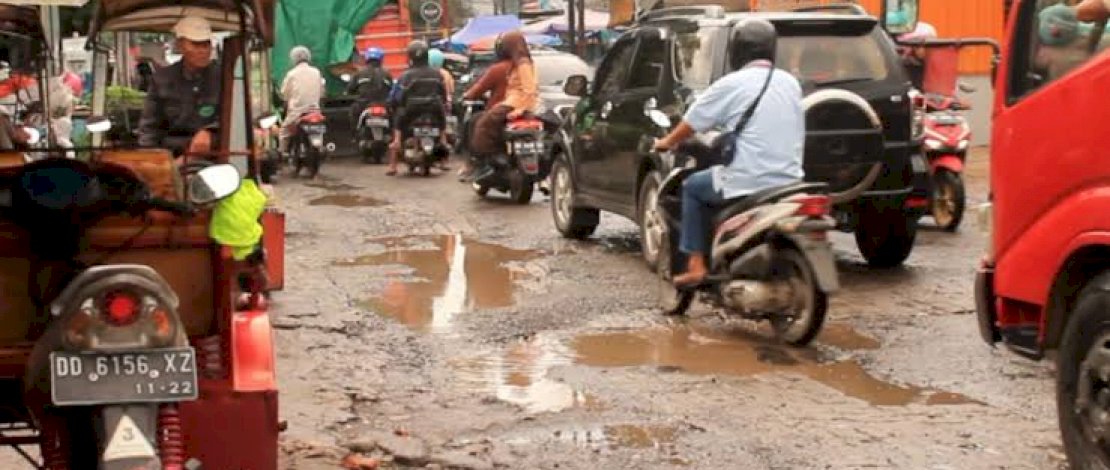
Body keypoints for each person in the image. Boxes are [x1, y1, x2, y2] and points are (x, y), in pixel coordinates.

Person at [652, 18, 805, 287]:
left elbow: (692, 122)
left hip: (748, 180)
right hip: (791, 182)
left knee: (692, 187)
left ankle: (696, 265)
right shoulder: (790, 83)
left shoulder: (732, 84)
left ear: (737, 50)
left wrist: (666, 142)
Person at [137, 15, 222, 158]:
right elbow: (149, 127)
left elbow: (237, 115)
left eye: (205, 44)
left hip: (216, 155)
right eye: (195, 44)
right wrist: (151, 161)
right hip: (172, 156)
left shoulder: (224, 77)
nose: (202, 50)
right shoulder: (161, 79)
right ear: (181, 45)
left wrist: (210, 131)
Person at [463, 31, 538, 182]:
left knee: (483, 124)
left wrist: (519, 109)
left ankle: (485, 162)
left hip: (514, 104)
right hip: (514, 103)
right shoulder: (520, 63)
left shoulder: (522, 63)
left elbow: (529, 89)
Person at [386, 40, 448, 176]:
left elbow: (397, 97)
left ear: (410, 57)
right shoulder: (437, 74)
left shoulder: (405, 76)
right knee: (443, 127)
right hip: (434, 109)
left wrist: (394, 105)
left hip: (411, 110)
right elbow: (443, 95)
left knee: (398, 123)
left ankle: (393, 164)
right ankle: (444, 159)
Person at [457, 38, 512, 178]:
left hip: (500, 111)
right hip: (524, 110)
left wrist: (467, 95)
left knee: (473, 121)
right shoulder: (525, 68)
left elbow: (478, 89)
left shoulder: (498, 69)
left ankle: (476, 162)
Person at [279, 46, 324, 156]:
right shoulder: (316, 72)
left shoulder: (292, 74)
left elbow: (284, 93)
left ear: (293, 58)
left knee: (284, 132)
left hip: (297, 112)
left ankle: (283, 155)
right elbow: (322, 91)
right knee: (320, 130)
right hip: (315, 111)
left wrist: (287, 99)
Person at [347, 47, 394, 125]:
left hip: (363, 106)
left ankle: (355, 134)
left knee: (353, 114)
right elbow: (391, 91)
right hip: (384, 105)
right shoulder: (387, 74)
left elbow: (350, 90)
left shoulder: (359, 73)